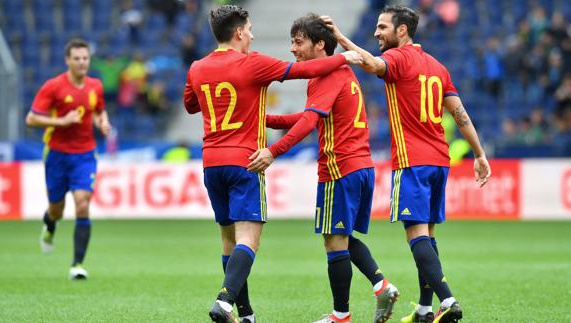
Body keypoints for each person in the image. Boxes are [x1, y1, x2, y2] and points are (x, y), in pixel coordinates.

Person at [182, 5, 363, 323]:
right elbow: (303, 71)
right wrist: (343, 58)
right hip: (245, 161)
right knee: (248, 239)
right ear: (238, 32)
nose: (251, 35)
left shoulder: (197, 67)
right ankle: (225, 301)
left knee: (228, 240)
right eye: (249, 29)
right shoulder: (253, 63)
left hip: (211, 162)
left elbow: (190, 105)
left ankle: (246, 315)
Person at [321, 6, 491, 323]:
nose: (376, 33)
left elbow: (370, 63)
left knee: (416, 237)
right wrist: (479, 154)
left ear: (402, 31)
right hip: (439, 161)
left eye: (382, 27)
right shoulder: (438, 67)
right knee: (427, 236)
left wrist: (341, 39)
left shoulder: (399, 59)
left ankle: (448, 300)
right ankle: (425, 310)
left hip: (412, 162)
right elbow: (460, 113)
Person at [248, 14, 399, 323]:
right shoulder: (342, 73)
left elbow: (308, 122)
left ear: (320, 45)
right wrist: (265, 119)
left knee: (333, 241)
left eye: (298, 42)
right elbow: (310, 115)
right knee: (340, 237)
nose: (292, 49)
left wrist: (274, 150)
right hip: (361, 166)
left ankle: (341, 316)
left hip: (338, 168)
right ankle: (381, 285)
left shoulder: (325, 77)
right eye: (291, 41)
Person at [25, 39, 112, 280]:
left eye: (85, 58)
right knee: (57, 209)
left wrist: (102, 122)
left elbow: (98, 110)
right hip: (57, 154)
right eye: (77, 58)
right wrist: (61, 122)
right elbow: (31, 119)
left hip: (84, 154)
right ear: (68, 60)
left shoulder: (95, 85)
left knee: (82, 203)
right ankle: (50, 225)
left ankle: (77, 265)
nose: (82, 62)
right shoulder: (53, 87)